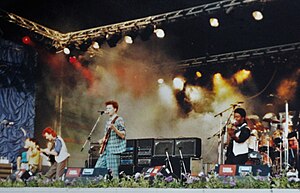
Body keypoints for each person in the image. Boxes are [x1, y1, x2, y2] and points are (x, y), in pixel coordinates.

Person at [94, 100, 126, 178]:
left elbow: (123, 135)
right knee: (98, 168)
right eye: (107, 108)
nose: (107, 110)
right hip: (106, 149)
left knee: (113, 172)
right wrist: (102, 140)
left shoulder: (119, 119)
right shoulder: (108, 121)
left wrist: (114, 128)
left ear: (115, 109)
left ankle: (114, 188)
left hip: (114, 149)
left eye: (109, 108)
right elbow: (107, 135)